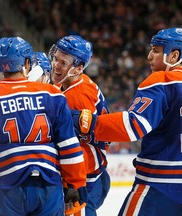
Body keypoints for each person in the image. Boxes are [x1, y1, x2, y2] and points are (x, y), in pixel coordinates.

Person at [73, 28, 182, 215]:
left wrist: (85, 123)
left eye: (155, 50)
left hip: (159, 187)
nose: (149, 56)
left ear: (174, 55)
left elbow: (134, 125)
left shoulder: (161, 81)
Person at [0, 36, 88, 216]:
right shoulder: (52, 93)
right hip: (48, 184)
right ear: (27, 63)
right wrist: (76, 184)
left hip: (7, 187)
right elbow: (68, 144)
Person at [49, 34, 111, 216]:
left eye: (63, 63)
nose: (55, 65)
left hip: (86, 176)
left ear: (78, 68)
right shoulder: (76, 83)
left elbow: (73, 143)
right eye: (55, 59)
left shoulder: (77, 96)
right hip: (94, 170)